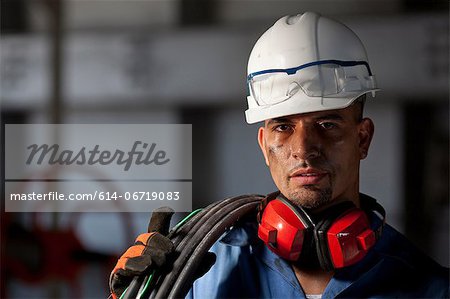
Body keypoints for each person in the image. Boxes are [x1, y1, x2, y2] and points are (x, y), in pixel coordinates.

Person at [109, 12, 449, 299]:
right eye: (283, 127)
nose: (303, 150)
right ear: (263, 144)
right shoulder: (203, 270)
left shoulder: (428, 287)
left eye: (327, 124)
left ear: (363, 137)